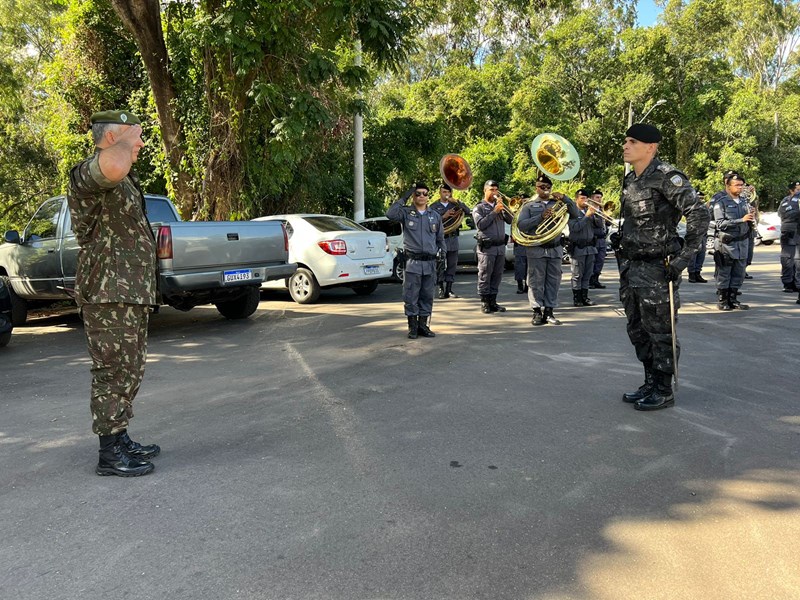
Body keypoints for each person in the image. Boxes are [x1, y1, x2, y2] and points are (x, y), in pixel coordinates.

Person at [68, 110, 160, 476]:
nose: (140, 142)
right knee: (112, 372)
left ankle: (119, 436)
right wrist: (125, 138)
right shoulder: (86, 176)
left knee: (130, 370)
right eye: (134, 136)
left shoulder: (122, 181)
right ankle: (109, 454)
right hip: (108, 292)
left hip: (129, 293)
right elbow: (112, 166)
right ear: (110, 139)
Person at [618, 123, 709, 411]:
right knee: (637, 329)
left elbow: (699, 215)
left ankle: (663, 388)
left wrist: (683, 259)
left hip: (659, 267)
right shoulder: (631, 180)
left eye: (632, 141)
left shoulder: (668, 177)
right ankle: (649, 380)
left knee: (660, 330)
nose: (626, 145)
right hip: (631, 266)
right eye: (625, 141)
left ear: (650, 147)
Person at [516, 174, 580, 325]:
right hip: (536, 249)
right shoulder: (528, 206)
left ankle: (549, 311)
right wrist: (540, 218)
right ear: (536, 188)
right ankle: (537, 311)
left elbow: (576, 214)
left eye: (548, 187)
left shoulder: (557, 203)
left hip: (555, 248)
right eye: (542, 187)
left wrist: (565, 198)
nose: (545, 190)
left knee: (553, 281)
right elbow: (521, 225)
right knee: (535, 281)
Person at [387, 182, 446, 338]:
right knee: (411, 295)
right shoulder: (406, 213)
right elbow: (390, 214)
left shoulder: (434, 216)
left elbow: (440, 239)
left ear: (428, 196)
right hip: (412, 262)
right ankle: (412, 327)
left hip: (430, 263)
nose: (421, 196)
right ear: (413, 196)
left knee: (427, 295)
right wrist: (404, 196)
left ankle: (423, 326)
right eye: (418, 193)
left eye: (424, 193)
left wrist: (443, 257)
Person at [711, 171, 754, 311]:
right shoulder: (721, 203)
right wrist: (741, 220)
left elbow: (750, 221)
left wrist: (752, 215)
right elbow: (720, 224)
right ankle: (723, 300)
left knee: (739, 272)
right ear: (728, 187)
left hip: (742, 242)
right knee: (725, 271)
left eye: (742, 185)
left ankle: (733, 298)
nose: (740, 188)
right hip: (727, 244)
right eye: (737, 185)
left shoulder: (744, 202)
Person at [472, 180, 513, 314]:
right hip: (487, 247)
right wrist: (494, 212)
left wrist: (505, 208)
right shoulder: (479, 207)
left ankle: (493, 301)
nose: (494, 192)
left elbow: (511, 220)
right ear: (485, 190)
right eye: (491, 189)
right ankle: (484, 301)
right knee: (485, 274)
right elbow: (481, 225)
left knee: (497, 275)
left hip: (500, 246)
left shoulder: (499, 206)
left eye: (496, 190)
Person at [429, 183, 471, 299]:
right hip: (441, 239)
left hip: (453, 238)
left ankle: (449, 289)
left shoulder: (454, 204)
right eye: (444, 192)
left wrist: (457, 201)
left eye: (448, 192)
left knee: (452, 264)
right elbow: (430, 223)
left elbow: (467, 211)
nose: (446, 194)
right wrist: (444, 216)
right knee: (440, 264)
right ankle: (441, 288)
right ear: (440, 193)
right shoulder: (433, 206)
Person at [567, 188, 600, 307]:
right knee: (577, 274)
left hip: (590, 247)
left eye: (586, 198)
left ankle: (585, 297)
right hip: (578, 248)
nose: (585, 200)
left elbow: (600, 226)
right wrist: (586, 216)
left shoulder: (589, 211)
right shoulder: (572, 213)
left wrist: (596, 214)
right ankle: (577, 298)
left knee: (587, 273)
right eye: (582, 198)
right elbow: (575, 228)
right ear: (577, 199)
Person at [778, 180, 800, 293]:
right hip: (791, 231)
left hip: (790, 230)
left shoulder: (785, 201)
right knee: (788, 259)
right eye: (797, 189)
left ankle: (793, 283)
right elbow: (782, 214)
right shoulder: (786, 201)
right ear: (791, 190)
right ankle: (789, 283)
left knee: (794, 259)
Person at [686, 190, 709, 283]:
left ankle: (697, 272)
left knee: (701, 254)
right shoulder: (691, 207)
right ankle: (691, 274)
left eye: (702, 198)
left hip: (703, 234)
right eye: (699, 198)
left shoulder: (705, 207)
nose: (701, 200)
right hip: (695, 234)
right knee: (693, 255)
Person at [589, 189, 609, 289]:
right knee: (592, 260)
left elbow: (607, 224)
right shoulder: (590, 210)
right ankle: (590, 281)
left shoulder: (602, 210)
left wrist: (607, 216)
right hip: (594, 239)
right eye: (597, 197)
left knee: (600, 261)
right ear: (592, 198)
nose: (599, 199)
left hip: (602, 239)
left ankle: (596, 279)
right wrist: (599, 215)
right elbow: (597, 224)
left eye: (600, 197)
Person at [512, 195, 531, 294]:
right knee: (519, 266)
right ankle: (520, 285)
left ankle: (528, 286)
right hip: (519, 243)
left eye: (526, 201)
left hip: (529, 241)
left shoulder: (531, 212)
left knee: (529, 266)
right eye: (522, 201)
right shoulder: (516, 213)